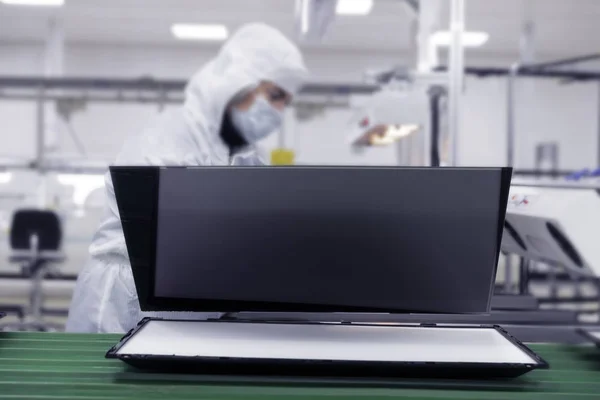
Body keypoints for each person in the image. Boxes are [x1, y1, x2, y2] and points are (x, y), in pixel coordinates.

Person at [66, 23, 308, 333]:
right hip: (125, 301)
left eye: (285, 101)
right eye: (274, 95)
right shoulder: (167, 139)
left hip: (194, 303)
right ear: (238, 81)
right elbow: (180, 240)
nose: (278, 110)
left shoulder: (245, 154)